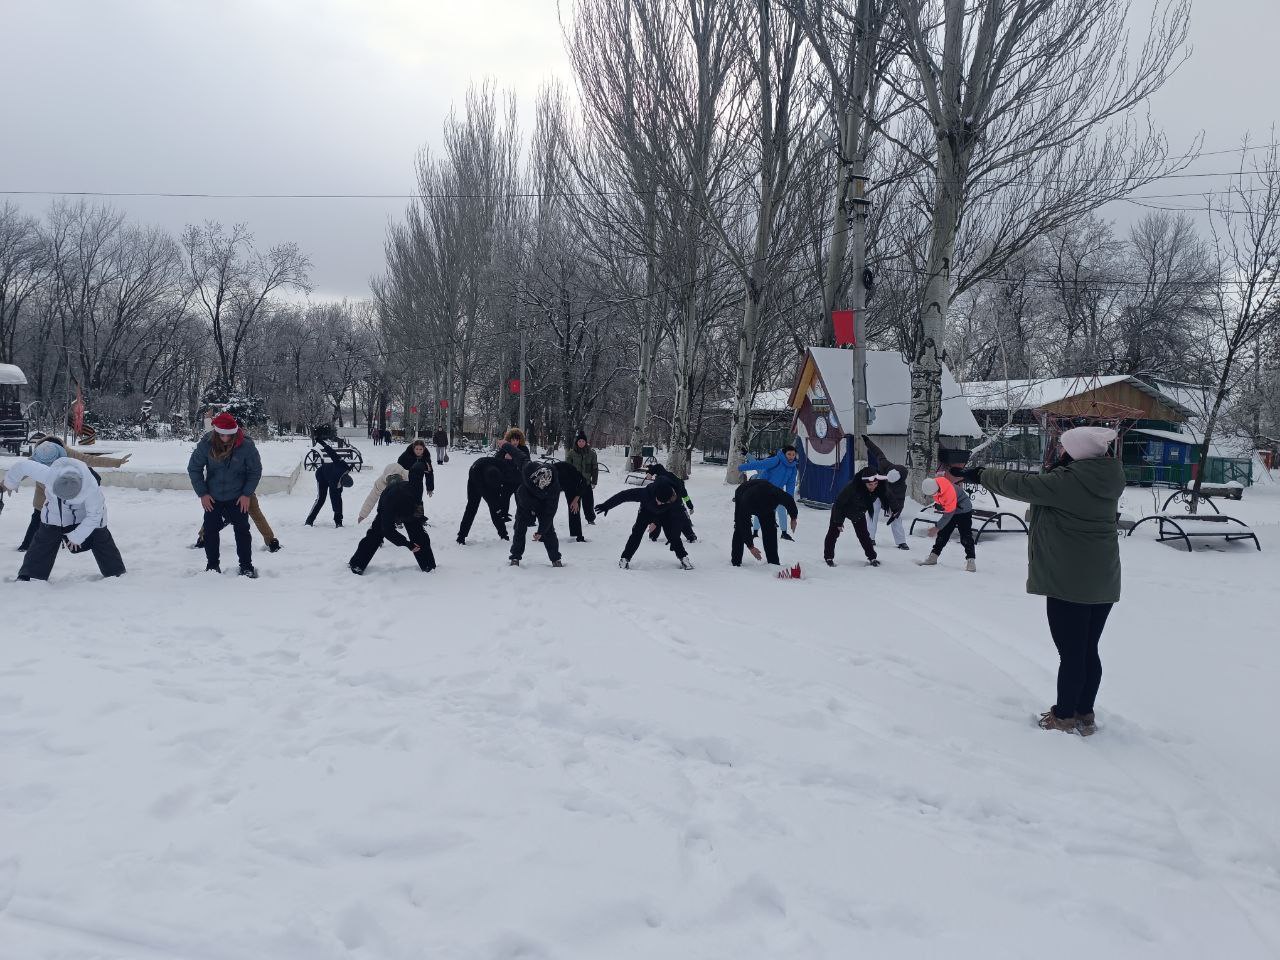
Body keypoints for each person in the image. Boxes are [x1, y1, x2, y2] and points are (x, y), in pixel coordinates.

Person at [957, 426, 1124, 735]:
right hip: (1102, 580)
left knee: (1072, 653)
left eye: (1064, 448)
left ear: (1077, 453)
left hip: (1070, 580)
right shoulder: (1105, 476)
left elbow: (1021, 484)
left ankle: (1063, 717)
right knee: (1088, 650)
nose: (1059, 452)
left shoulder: (1069, 481)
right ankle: (1084, 713)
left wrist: (977, 474)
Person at [2, 454, 125, 581]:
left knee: (101, 538)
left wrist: (77, 537)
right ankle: (31, 576)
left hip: (87, 517)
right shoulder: (50, 475)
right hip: (55, 514)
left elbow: (94, 516)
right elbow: (23, 466)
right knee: (44, 540)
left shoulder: (91, 490)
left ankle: (115, 573)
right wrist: (10, 483)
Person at [18, 436, 130, 551]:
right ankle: (26, 545)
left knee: (69, 518)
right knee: (37, 518)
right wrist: (4, 485)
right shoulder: (37, 457)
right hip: (44, 495)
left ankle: (74, 541)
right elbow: (21, 471)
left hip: (67, 492)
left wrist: (117, 462)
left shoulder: (68, 453)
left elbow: (90, 459)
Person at [187, 412, 263, 578]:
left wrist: (246, 494)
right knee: (210, 530)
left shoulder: (246, 446)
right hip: (213, 497)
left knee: (242, 531)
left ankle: (246, 566)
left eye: (229, 435)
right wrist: (203, 494)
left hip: (238, 497)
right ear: (216, 432)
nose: (225, 439)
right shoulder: (206, 444)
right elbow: (194, 468)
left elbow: (255, 470)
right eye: (222, 435)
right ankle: (212, 566)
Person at [348, 464, 436, 574]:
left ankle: (428, 565)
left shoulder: (413, 485)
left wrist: (424, 467)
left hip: (408, 502)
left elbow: (417, 472)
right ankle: (357, 564)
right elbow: (387, 530)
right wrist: (407, 544)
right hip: (388, 503)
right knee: (375, 534)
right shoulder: (386, 502)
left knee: (419, 533)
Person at [598, 479, 695, 569]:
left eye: (662, 502)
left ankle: (683, 557)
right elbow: (624, 495)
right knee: (637, 532)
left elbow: (678, 520)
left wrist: (658, 524)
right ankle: (625, 559)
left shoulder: (675, 499)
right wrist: (606, 505)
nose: (659, 503)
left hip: (666, 513)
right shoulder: (645, 493)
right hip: (646, 510)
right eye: (658, 500)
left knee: (672, 534)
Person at [824, 466, 895, 567]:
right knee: (833, 533)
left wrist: (895, 509)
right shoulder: (852, 487)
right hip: (842, 509)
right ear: (864, 483)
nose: (873, 487)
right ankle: (828, 557)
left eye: (875, 484)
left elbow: (890, 497)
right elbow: (839, 503)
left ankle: (872, 557)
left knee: (864, 535)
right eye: (870, 484)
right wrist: (838, 522)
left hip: (858, 512)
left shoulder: (879, 487)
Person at [918, 448, 976, 571]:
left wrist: (936, 527)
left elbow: (949, 513)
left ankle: (971, 561)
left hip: (963, 510)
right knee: (943, 534)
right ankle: (933, 557)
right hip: (953, 507)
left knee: (965, 535)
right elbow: (943, 503)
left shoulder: (948, 492)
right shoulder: (934, 484)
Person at [731, 477, 798, 567]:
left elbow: (789, 500)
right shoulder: (746, 501)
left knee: (770, 530)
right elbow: (744, 524)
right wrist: (751, 546)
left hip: (764, 492)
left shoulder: (775, 493)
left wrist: (793, 517)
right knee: (739, 528)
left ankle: (773, 562)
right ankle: (736, 561)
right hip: (743, 492)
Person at [508, 461, 564, 567]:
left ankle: (555, 559)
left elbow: (549, 514)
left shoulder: (554, 490)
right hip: (525, 502)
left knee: (549, 531)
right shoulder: (528, 468)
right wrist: (505, 445)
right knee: (520, 528)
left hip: (543, 506)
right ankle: (515, 556)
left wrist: (541, 531)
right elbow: (518, 455)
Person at [737, 446, 799, 540]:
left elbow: (790, 486)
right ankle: (755, 531)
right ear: (784, 454)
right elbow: (757, 464)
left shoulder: (793, 468)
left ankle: (784, 533)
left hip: (778, 491)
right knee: (761, 510)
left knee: (782, 508)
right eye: (789, 454)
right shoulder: (776, 461)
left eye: (793, 454)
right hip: (765, 489)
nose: (791, 456)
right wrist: (740, 467)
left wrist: (789, 503)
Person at [863, 435, 909, 551]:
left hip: (892, 498)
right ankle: (870, 538)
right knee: (872, 512)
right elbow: (878, 453)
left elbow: (899, 505)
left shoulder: (900, 488)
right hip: (878, 493)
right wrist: (867, 442)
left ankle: (901, 542)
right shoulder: (886, 465)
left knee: (896, 518)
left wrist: (895, 513)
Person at [456, 452, 513, 544]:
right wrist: (497, 506)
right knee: (472, 507)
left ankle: (503, 535)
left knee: (495, 507)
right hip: (475, 477)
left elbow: (508, 484)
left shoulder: (503, 467)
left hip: (491, 475)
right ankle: (461, 536)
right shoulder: (478, 476)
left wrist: (499, 503)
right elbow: (491, 499)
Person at [195, 495, 281, 553]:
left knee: (221, 517)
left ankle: (270, 540)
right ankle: (203, 537)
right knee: (221, 517)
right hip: (234, 493)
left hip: (241, 493)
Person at [305, 438, 355, 527]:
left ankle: (338, 522)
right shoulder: (343, 465)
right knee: (321, 499)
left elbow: (336, 501)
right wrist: (323, 443)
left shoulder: (337, 485)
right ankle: (309, 520)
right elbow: (333, 454)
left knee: (337, 500)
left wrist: (338, 521)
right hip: (321, 474)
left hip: (331, 479)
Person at [643, 463, 696, 546]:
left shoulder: (660, 479)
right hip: (677, 503)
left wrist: (650, 473)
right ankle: (691, 536)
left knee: (657, 516)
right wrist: (690, 506)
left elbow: (658, 467)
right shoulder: (675, 478)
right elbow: (685, 494)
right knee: (681, 518)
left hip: (664, 502)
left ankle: (653, 536)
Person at [565, 431, 599, 526]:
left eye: (583, 441)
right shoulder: (571, 453)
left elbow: (595, 468)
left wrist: (594, 482)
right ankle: (575, 521)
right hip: (574, 483)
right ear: (577, 442)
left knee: (588, 502)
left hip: (587, 482)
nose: (581, 443)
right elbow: (567, 467)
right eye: (579, 441)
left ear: (585, 442)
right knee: (574, 502)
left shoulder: (591, 454)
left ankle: (590, 518)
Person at [554, 460, 592, 542]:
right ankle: (544, 533)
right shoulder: (550, 475)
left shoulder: (578, 478)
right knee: (550, 508)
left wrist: (576, 499)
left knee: (574, 508)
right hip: (554, 483)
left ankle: (577, 535)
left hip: (571, 485)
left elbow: (583, 485)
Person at [397, 438, 436, 514]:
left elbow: (429, 473)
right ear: (413, 448)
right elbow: (398, 468)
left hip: (418, 481)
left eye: (420, 449)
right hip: (406, 480)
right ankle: (399, 518)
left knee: (418, 499)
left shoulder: (426, 458)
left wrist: (430, 488)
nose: (418, 451)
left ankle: (419, 518)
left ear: (424, 449)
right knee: (404, 499)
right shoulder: (406, 455)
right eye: (417, 449)